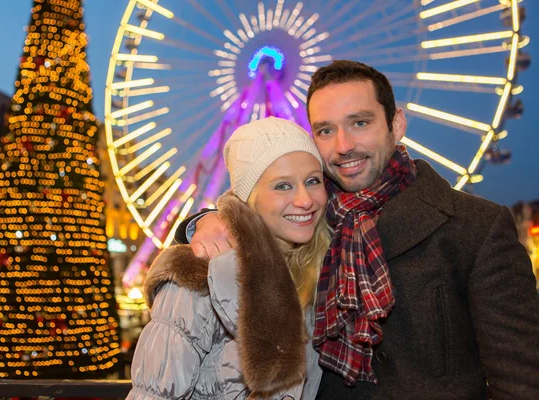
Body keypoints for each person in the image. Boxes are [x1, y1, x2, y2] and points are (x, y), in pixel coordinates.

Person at [175, 60, 539, 399]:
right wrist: (200, 222)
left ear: (396, 124)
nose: (343, 145)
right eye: (326, 130)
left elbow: (521, 378)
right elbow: (252, 211)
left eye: (360, 123)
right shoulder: (310, 216)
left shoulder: (475, 227)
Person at [126, 117, 329, 399]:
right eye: (282, 186)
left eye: (312, 181)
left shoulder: (322, 268)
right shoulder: (197, 274)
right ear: (249, 197)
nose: (305, 200)